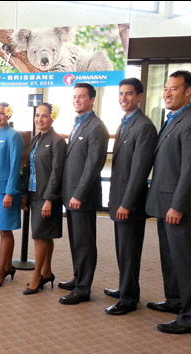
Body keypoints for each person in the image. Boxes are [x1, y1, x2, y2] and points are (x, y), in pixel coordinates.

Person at [145, 71, 191, 334]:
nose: (167, 93)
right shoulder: (173, 119)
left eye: (174, 89)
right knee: (169, 259)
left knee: (186, 263)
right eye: (166, 88)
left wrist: (178, 205)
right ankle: (175, 301)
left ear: (188, 91)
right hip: (164, 204)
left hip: (179, 208)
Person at [104, 78, 157, 315]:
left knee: (129, 252)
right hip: (119, 199)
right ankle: (126, 287)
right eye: (121, 93)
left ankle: (128, 299)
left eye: (129, 94)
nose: (123, 98)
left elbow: (139, 171)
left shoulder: (144, 126)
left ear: (139, 97)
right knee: (122, 250)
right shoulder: (125, 122)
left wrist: (126, 202)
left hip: (130, 204)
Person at [59, 83, 109, 305]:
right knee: (76, 241)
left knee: (85, 243)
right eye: (74, 97)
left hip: (82, 198)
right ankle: (78, 277)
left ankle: (83, 288)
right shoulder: (79, 123)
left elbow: (93, 165)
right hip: (71, 196)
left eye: (82, 97)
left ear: (92, 100)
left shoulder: (96, 127)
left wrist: (78, 194)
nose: (77, 100)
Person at [21, 103, 66, 295]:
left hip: (47, 196)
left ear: (52, 118)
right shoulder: (35, 139)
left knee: (39, 236)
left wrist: (49, 199)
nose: (39, 119)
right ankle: (46, 272)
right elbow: (28, 169)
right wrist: (24, 194)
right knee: (44, 235)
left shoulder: (57, 141)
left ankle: (37, 276)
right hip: (33, 193)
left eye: (44, 116)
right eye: (37, 115)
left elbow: (57, 172)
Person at [0, 102, 23, 288]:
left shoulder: (13, 136)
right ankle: (8, 265)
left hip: (7, 192)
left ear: (8, 115)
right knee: (3, 230)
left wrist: (10, 192)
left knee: (5, 230)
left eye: (2, 113)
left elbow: (15, 166)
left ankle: (1, 270)